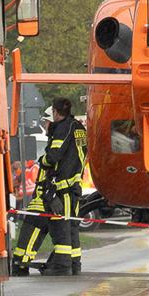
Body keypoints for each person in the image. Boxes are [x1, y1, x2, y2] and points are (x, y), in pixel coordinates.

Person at [40, 98, 86, 275]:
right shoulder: (78, 127)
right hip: (75, 186)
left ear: (55, 112)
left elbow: (53, 156)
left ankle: (62, 265)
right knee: (72, 226)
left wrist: (42, 161)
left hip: (63, 188)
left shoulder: (63, 128)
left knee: (61, 226)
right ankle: (75, 264)